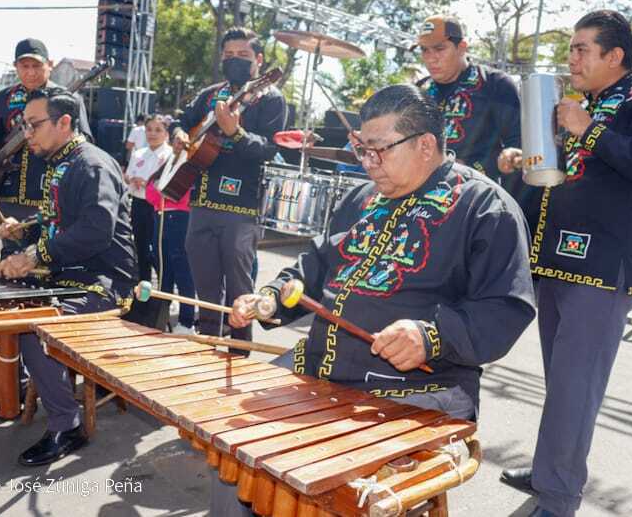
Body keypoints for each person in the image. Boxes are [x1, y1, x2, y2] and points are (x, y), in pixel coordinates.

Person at [222, 84, 536, 516]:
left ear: (425, 145)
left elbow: (506, 306)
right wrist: (273, 295)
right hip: (321, 369)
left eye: (380, 150)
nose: (369, 163)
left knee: (323, 479)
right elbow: (315, 264)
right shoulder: (363, 198)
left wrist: (430, 335)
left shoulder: (485, 207)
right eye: (362, 151)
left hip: (417, 389)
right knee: (239, 431)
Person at [498, 11, 632, 517]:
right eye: (571, 48)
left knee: (575, 387)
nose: (572, 58)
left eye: (583, 49)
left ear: (615, 56)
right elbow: (568, 171)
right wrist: (526, 158)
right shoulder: (580, 103)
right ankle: (549, 473)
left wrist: (589, 130)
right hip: (556, 258)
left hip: (602, 267)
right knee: (562, 382)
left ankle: (560, 496)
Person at [0, 88, 137, 465]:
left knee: (36, 328)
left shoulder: (93, 164)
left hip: (102, 284)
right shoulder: (58, 162)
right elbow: (58, 222)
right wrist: (27, 230)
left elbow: (95, 231)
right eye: (25, 126)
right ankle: (6, 393)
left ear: (64, 122)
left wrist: (35, 254)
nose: (28, 134)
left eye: (34, 125)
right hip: (64, 275)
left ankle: (67, 425)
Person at [170, 26, 287, 347]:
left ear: (259, 60)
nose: (234, 61)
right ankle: (208, 345)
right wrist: (179, 134)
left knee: (240, 289)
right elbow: (180, 119)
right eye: (228, 56)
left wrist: (234, 133)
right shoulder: (210, 94)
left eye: (243, 56)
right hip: (201, 201)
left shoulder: (271, 98)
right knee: (205, 286)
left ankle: (239, 352)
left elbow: (268, 149)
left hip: (242, 207)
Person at [410, 14, 541, 232]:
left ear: (462, 47)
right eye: (425, 50)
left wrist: (507, 158)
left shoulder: (495, 84)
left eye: (439, 49)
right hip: (418, 204)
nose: (431, 58)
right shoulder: (419, 92)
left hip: (475, 207)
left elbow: (519, 144)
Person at [0, 38, 92, 243]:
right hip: (10, 196)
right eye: (24, 66)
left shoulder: (67, 99)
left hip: (51, 196)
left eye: (37, 66)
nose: (31, 72)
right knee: (11, 257)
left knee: (49, 257)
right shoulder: (3, 98)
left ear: (49, 65)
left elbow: (84, 141)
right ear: (15, 66)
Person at [142, 115, 196, 335]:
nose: (176, 143)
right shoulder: (169, 162)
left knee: (183, 271)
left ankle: (187, 321)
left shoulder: (189, 162)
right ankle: (161, 318)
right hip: (161, 216)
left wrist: (162, 195)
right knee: (164, 270)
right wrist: (161, 196)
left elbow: (178, 195)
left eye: (179, 140)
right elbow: (150, 191)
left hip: (179, 218)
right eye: (174, 139)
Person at [124, 114, 170, 282]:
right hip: (138, 204)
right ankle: (143, 294)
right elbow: (128, 175)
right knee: (141, 249)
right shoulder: (139, 153)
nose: (152, 134)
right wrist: (133, 180)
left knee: (158, 252)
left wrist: (148, 185)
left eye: (158, 130)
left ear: (166, 134)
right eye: (149, 129)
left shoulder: (169, 155)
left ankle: (163, 294)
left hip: (158, 207)